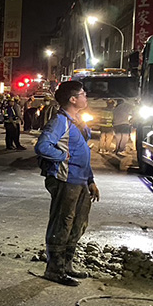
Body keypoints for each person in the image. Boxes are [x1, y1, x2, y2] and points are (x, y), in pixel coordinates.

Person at [35, 81, 100, 286]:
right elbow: (42, 146)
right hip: (65, 180)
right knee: (62, 223)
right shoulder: (59, 121)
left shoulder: (77, 121)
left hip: (80, 181)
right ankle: (54, 270)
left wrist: (90, 180)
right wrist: (63, 155)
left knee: (78, 224)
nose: (86, 96)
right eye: (83, 93)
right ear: (73, 99)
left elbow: (84, 153)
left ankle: (67, 264)